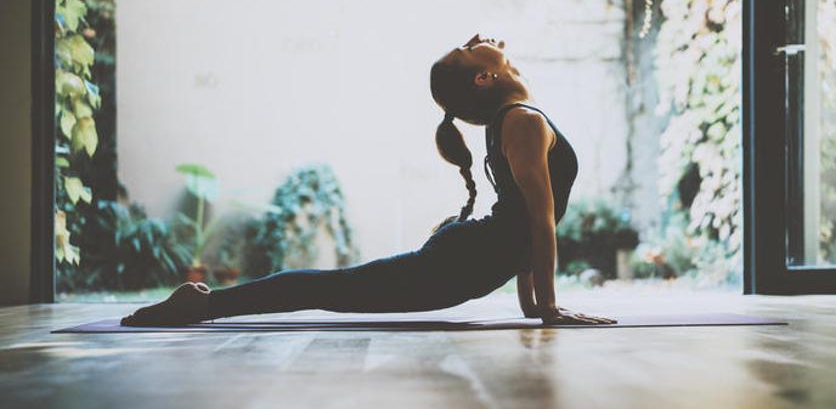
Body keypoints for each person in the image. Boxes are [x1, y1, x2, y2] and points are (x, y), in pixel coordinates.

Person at [121, 34, 616, 327]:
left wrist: (533, 305)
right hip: (459, 264)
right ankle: (203, 304)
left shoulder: (512, 119)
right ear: (483, 78)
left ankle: (205, 304)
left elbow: (525, 224)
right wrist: (546, 307)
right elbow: (538, 219)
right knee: (330, 288)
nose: (482, 40)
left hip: (467, 261)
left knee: (334, 288)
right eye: (470, 47)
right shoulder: (521, 121)